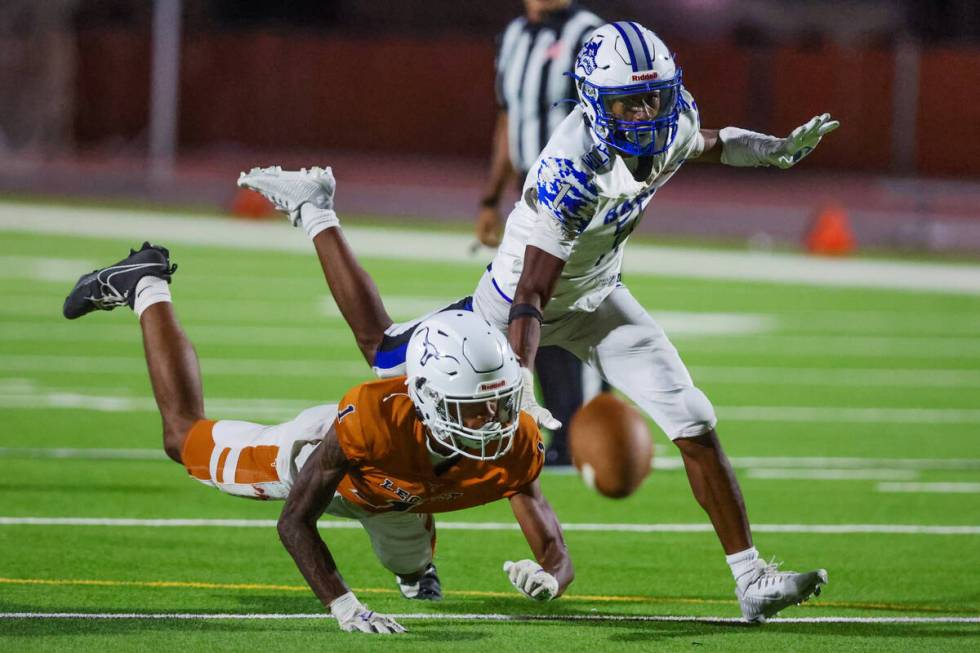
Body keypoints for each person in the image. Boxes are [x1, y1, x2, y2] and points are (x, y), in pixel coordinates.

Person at [238, 19, 838, 624]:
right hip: (509, 310)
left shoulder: (671, 122)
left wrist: (770, 150)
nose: (646, 113)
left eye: (653, 95)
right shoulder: (572, 170)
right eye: (629, 102)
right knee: (383, 352)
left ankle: (750, 578)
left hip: (599, 298)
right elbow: (532, 291)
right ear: (596, 104)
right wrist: (520, 376)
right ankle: (317, 208)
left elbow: (707, 141)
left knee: (695, 418)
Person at [62, 239, 573, 635]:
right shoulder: (369, 420)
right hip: (322, 465)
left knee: (413, 565)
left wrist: (551, 575)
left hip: (394, 494)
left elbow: (553, 544)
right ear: (425, 397)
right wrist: (344, 604)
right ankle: (146, 283)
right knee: (181, 439)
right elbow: (294, 523)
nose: (491, 422)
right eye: (472, 407)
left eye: (499, 402)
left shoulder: (517, 439)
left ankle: (416, 575)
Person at [477, 0, 604, 465]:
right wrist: (491, 197)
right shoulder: (512, 35)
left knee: (570, 309)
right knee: (532, 310)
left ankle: (588, 436)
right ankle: (568, 436)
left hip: (578, 194)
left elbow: (610, 117)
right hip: (530, 196)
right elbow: (508, 120)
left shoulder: (590, 33)